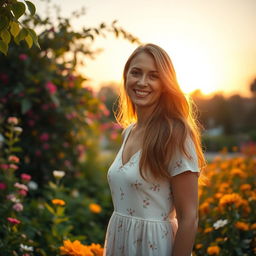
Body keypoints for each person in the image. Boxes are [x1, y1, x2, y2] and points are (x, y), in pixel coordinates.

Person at [103, 43, 205, 256]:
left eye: (153, 76)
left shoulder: (175, 135)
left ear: (166, 83)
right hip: (119, 242)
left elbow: (189, 218)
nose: (142, 82)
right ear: (126, 77)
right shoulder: (129, 131)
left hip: (153, 246)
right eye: (136, 73)